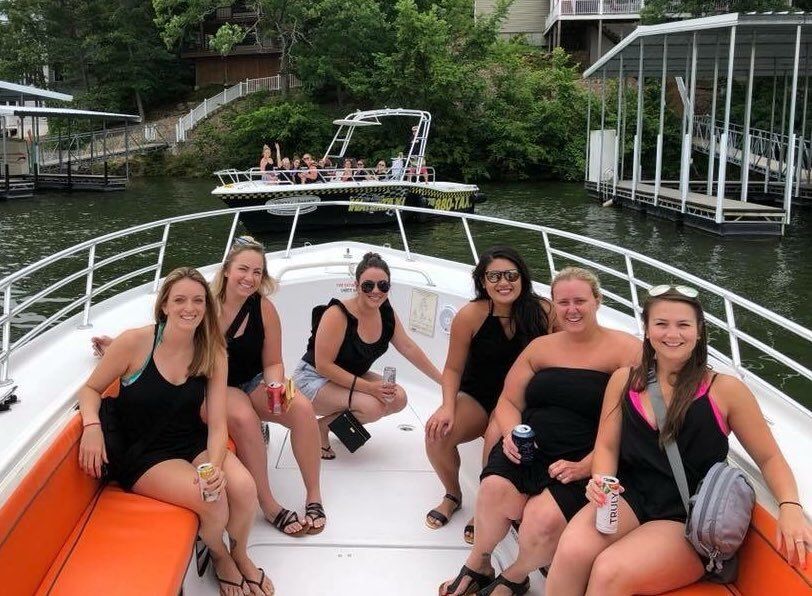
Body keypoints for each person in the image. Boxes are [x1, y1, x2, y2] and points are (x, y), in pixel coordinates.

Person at [546, 286, 812, 595]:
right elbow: (606, 446)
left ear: (699, 332)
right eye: (661, 324)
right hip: (630, 495)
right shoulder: (624, 380)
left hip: (688, 516)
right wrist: (601, 481)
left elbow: (769, 457)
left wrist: (789, 505)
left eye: (683, 324)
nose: (672, 333)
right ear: (646, 330)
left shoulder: (724, 390)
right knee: (571, 552)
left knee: (609, 571)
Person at [440, 267, 641, 596]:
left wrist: (589, 464)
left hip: (582, 458)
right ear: (554, 305)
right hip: (530, 447)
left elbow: (637, 422)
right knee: (492, 490)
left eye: (580, 301)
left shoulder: (626, 350)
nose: (571, 309)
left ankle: (516, 576)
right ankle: (479, 563)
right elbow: (508, 401)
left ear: (597, 301)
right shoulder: (540, 348)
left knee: (541, 520)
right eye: (563, 302)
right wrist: (508, 434)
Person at [78, 268, 273, 596]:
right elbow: (90, 390)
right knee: (212, 501)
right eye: (179, 300)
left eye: (198, 301)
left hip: (191, 440)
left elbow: (218, 423)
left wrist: (213, 465)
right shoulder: (135, 342)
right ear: (164, 305)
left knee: (244, 488)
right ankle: (220, 556)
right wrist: (91, 427)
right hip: (145, 453)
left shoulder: (213, 351)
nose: (190, 308)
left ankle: (240, 553)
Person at [424, 246, 555, 546]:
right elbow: (453, 368)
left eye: (511, 275)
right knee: (436, 434)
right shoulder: (470, 315)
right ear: (482, 281)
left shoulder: (544, 312)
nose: (503, 282)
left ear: (523, 278)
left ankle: (486, 508)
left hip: (522, 401)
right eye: (493, 276)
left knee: (498, 437)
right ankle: (453, 493)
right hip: (478, 396)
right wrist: (447, 407)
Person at [212, 236, 326, 537]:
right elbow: (166, 332)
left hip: (254, 379)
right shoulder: (205, 305)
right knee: (243, 418)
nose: (249, 278)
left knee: (302, 408)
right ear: (227, 270)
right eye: (243, 269)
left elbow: (273, 361)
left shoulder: (263, 308)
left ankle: (313, 494)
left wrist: (275, 383)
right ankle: (269, 504)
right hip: (218, 384)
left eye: (257, 272)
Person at [293, 252, 443, 460]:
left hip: (349, 375)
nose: (375, 291)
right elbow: (323, 365)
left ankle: (332, 425)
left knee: (397, 399)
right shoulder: (337, 314)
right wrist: (371, 388)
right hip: (313, 378)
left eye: (383, 285)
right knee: (372, 407)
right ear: (356, 285)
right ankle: (320, 428)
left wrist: (443, 381)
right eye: (368, 285)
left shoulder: (385, 311)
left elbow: (408, 347)